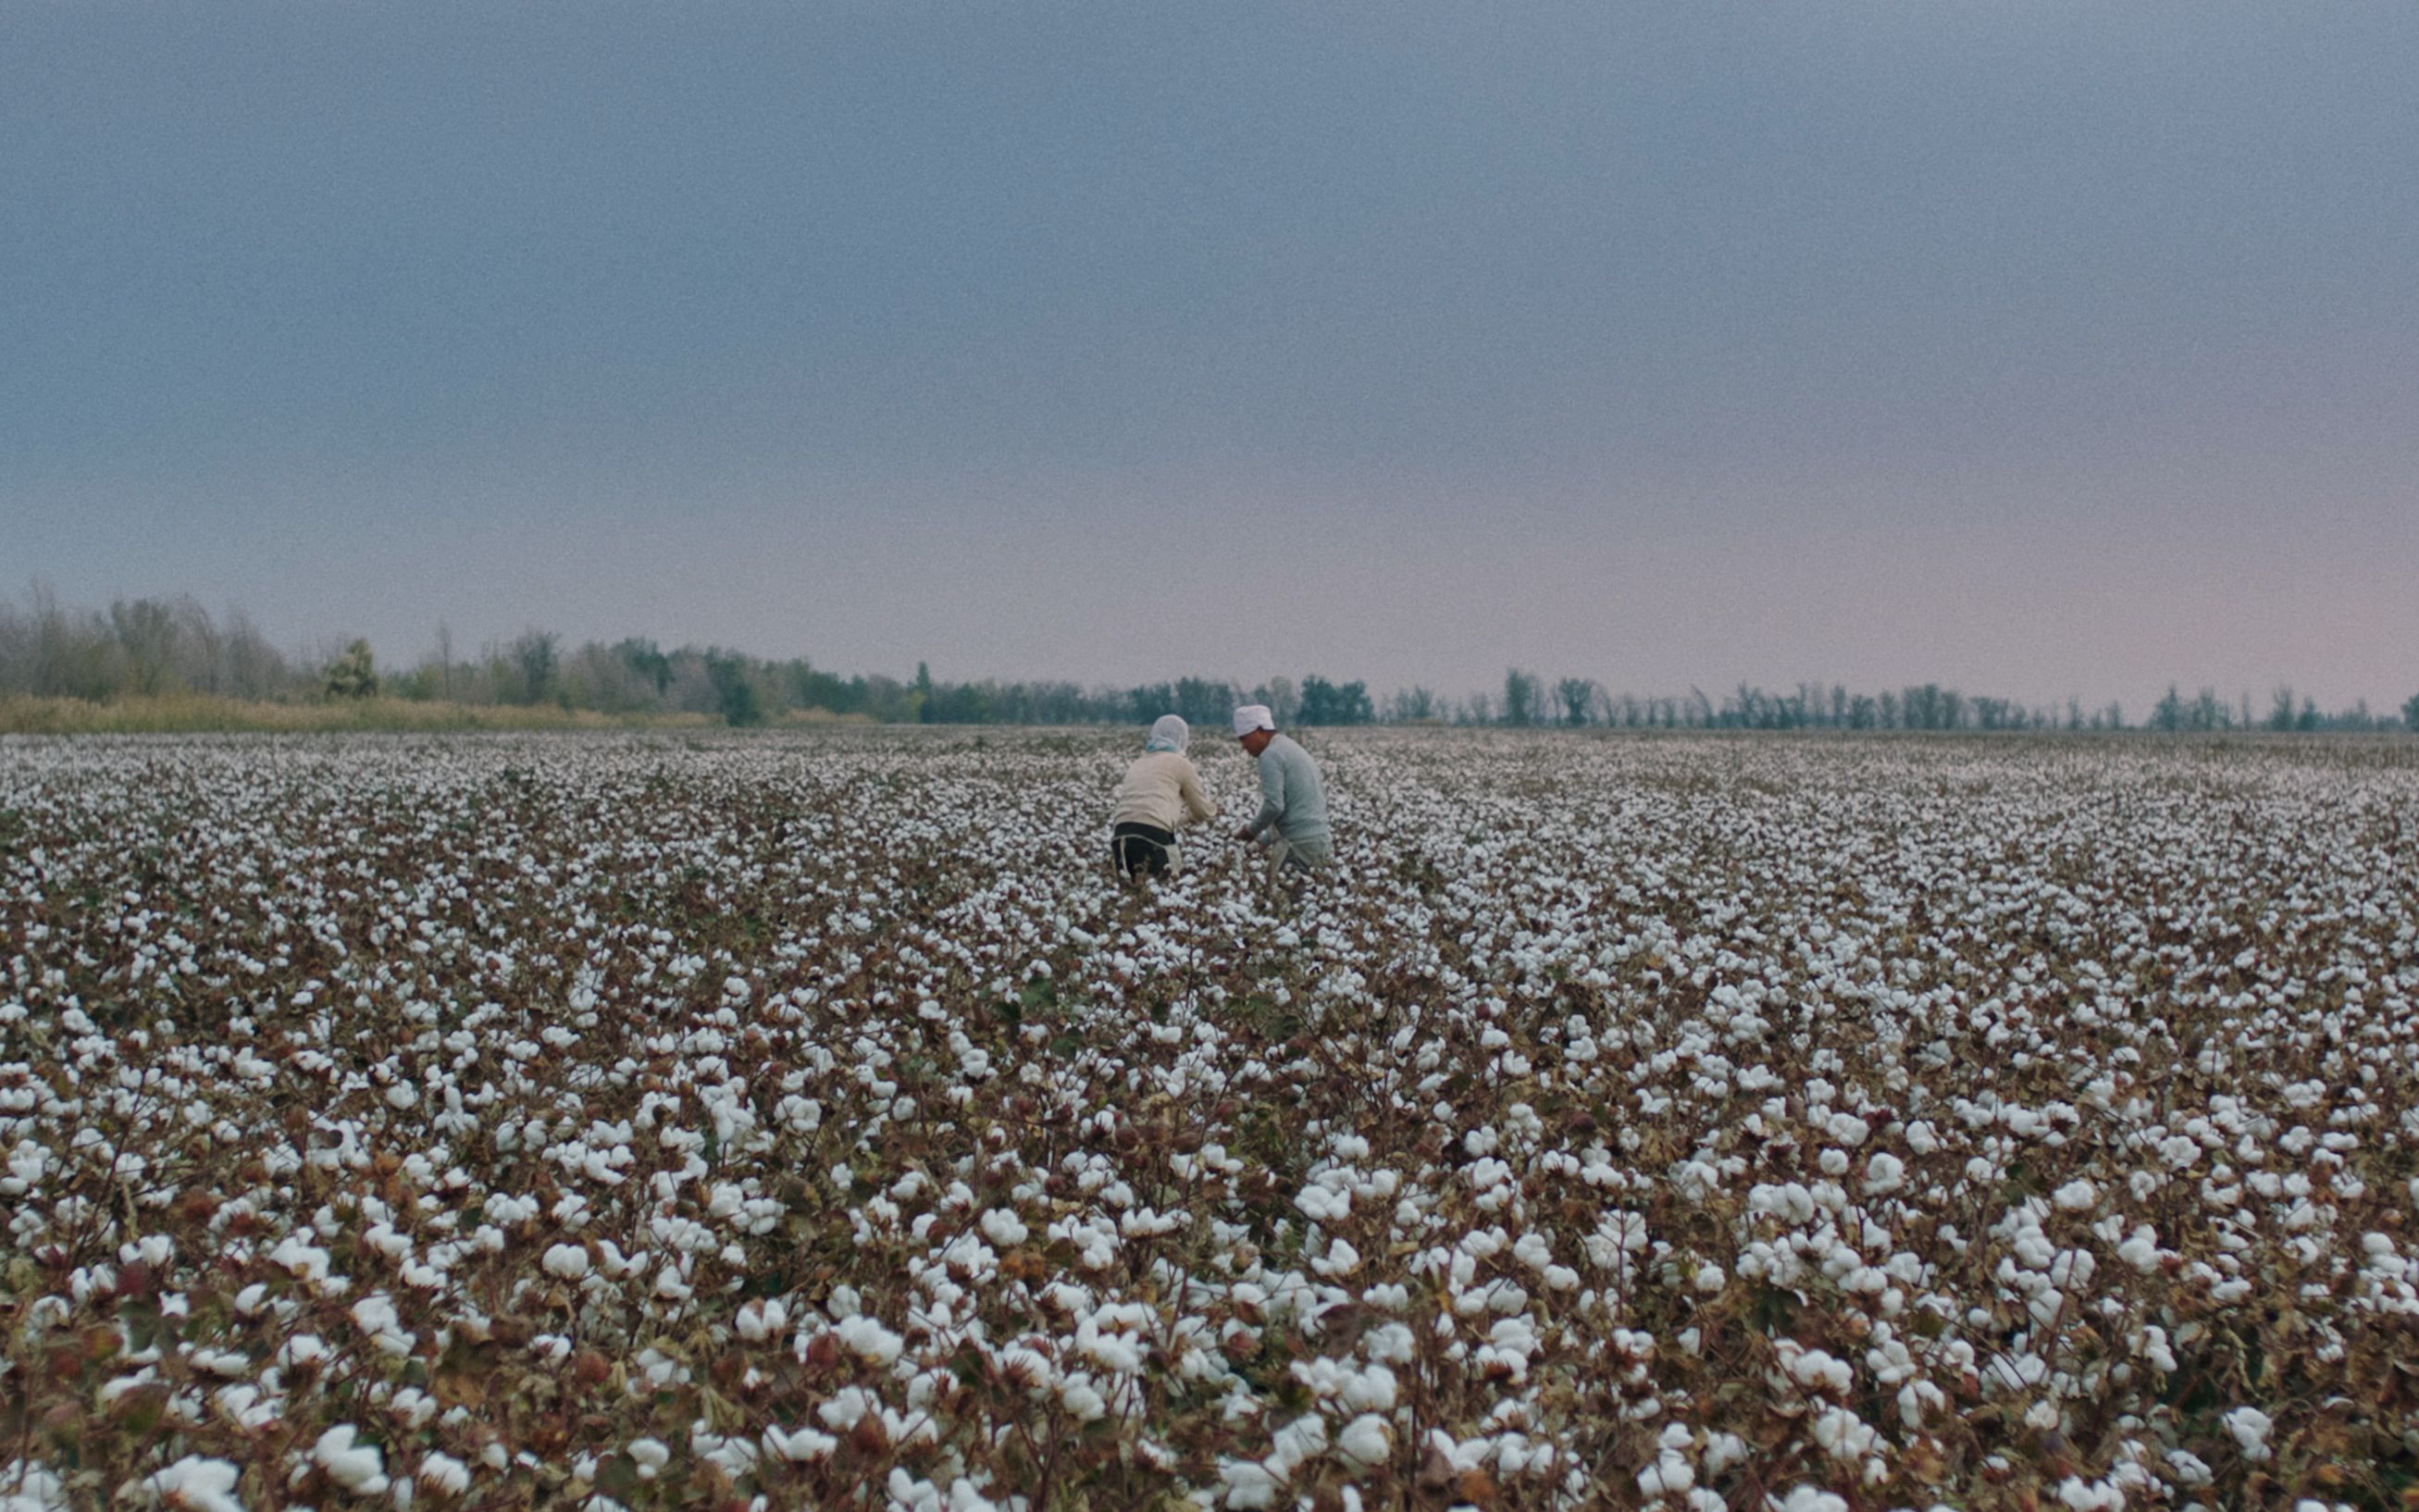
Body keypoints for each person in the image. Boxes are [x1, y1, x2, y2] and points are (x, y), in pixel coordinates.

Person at [1231, 704, 1333, 887]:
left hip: (1298, 847)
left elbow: (1274, 806)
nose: (1243, 746)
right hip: (1319, 842)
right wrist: (1264, 840)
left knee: (1289, 902)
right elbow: (1297, 806)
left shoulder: (1270, 755)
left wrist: (1251, 831)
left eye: (1245, 739)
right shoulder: (1291, 748)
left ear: (1260, 731)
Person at [1109, 714, 1218, 880]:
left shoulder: (1139, 763)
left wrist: (1184, 818)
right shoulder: (1181, 763)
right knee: (1165, 887)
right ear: (1182, 738)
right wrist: (1210, 811)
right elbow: (1202, 810)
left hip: (1120, 835)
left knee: (1131, 895)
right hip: (1153, 836)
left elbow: (1150, 816)